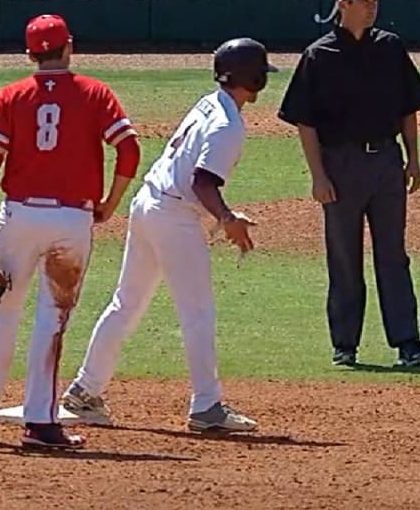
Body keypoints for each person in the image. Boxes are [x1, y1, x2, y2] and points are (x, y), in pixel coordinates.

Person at [57, 38, 277, 433]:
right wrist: (226, 217)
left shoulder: (210, 102)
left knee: (126, 304)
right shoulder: (228, 125)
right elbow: (204, 182)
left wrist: (222, 214)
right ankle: (207, 407)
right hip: (173, 216)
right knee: (198, 313)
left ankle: (84, 391)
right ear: (255, 78)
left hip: (150, 203)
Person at [0, 13, 141, 449]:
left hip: (19, 217)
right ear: (69, 46)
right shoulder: (95, 93)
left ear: (30, 55)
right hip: (71, 221)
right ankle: (40, 422)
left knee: (0, 314)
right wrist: (110, 204)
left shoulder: (12, 95)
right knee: (51, 320)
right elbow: (129, 150)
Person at [277, 0, 420, 369]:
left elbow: (407, 108)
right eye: (365, 1)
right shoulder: (319, 55)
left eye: (375, 1)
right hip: (340, 164)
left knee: (393, 255)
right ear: (343, 5)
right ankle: (345, 344)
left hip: (385, 161)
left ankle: (408, 344)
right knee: (344, 257)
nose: (372, 7)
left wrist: (413, 158)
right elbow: (304, 121)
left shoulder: (390, 47)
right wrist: (317, 175)